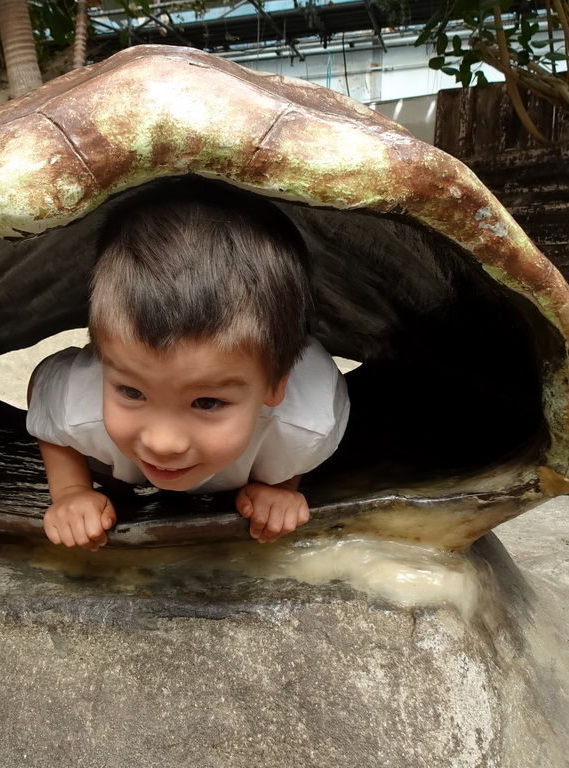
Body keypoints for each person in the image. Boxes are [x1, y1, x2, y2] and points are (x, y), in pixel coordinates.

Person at [26, 178, 350, 551]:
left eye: (207, 402)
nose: (163, 443)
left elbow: (297, 445)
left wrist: (280, 486)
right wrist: (70, 490)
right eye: (132, 392)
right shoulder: (81, 405)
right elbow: (43, 386)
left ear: (276, 386)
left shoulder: (306, 424)